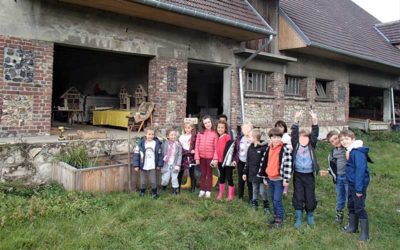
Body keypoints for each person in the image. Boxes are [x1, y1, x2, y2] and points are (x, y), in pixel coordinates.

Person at [339, 130, 370, 242]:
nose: (344, 141)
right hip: (352, 183)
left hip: (358, 185)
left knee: (359, 207)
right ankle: (353, 227)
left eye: (346, 139)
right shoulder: (350, 151)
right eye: (342, 139)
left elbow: (360, 171)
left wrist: (359, 189)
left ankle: (365, 235)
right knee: (351, 205)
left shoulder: (357, 152)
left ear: (353, 139)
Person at [258, 128, 293, 227]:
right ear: (270, 139)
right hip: (270, 179)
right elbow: (265, 164)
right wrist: (265, 177)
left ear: (281, 138)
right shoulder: (268, 149)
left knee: (277, 199)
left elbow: (288, 165)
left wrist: (286, 179)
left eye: (278, 137)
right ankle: (275, 216)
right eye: (274, 137)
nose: (276, 139)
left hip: (279, 180)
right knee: (272, 198)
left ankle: (279, 219)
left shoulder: (284, 149)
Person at [291, 110, 319, 229]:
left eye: (306, 137)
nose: (304, 138)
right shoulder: (296, 144)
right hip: (298, 174)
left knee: (310, 195)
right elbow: (293, 133)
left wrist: (315, 121)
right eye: (301, 136)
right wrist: (296, 120)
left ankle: (310, 216)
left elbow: (315, 134)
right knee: (298, 195)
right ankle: (298, 217)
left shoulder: (311, 145)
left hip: (309, 175)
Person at [242, 129, 270, 213]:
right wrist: (244, 172)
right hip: (252, 173)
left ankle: (266, 206)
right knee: (254, 189)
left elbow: (265, 163)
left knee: (262, 191)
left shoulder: (263, 148)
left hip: (260, 174)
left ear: (255, 138)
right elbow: (248, 161)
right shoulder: (250, 148)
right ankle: (255, 203)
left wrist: (265, 175)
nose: (248, 138)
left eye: (250, 136)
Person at [133, 127, 163, 199]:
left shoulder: (156, 143)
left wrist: (159, 164)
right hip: (143, 165)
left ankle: (154, 193)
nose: (151, 136)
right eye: (149, 134)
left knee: (153, 181)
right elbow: (136, 155)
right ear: (145, 134)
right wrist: (136, 165)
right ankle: (142, 192)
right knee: (143, 181)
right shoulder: (140, 143)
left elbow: (160, 155)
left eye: (152, 134)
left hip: (152, 165)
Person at [327, 130, 348, 224]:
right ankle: (339, 217)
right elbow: (332, 167)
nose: (335, 141)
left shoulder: (348, 149)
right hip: (339, 179)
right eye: (332, 141)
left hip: (349, 178)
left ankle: (353, 217)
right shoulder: (332, 154)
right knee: (340, 198)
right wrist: (328, 172)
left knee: (350, 198)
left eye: (336, 138)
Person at [195, 115, 219, 198]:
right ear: (203, 124)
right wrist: (197, 157)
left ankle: (208, 191)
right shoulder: (200, 133)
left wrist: (215, 158)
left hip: (210, 158)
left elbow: (216, 148)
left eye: (208, 122)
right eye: (205, 123)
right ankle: (202, 190)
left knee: (209, 174)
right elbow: (196, 145)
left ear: (211, 122)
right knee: (203, 174)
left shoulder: (215, 133)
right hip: (201, 158)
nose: (207, 124)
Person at [232, 122, 253, 203]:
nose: (245, 130)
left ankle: (251, 198)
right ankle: (240, 197)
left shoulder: (252, 139)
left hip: (250, 163)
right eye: (244, 129)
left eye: (247, 129)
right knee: (241, 180)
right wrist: (234, 160)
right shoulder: (240, 138)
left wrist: (251, 139)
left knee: (249, 180)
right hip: (241, 161)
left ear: (251, 129)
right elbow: (235, 150)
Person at [216, 121, 235, 201]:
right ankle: (221, 193)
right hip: (220, 161)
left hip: (227, 162)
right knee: (222, 177)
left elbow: (231, 149)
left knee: (229, 177)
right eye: (219, 127)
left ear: (225, 129)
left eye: (222, 127)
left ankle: (231, 195)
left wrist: (232, 160)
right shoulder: (217, 137)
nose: (220, 129)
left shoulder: (227, 137)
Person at [161, 128, 182, 195]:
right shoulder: (164, 144)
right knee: (165, 179)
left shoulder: (178, 145)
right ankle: (164, 186)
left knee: (174, 178)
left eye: (175, 135)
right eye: (172, 135)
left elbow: (179, 155)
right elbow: (161, 153)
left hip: (174, 164)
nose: (173, 136)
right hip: (166, 164)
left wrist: (178, 165)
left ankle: (175, 190)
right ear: (168, 136)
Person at [178, 122, 197, 193]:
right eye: (186, 128)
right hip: (184, 155)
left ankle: (193, 189)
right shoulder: (181, 137)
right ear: (184, 128)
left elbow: (195, 145)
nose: (187, 129)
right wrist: (185, 152)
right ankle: (178, 187)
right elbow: (179, 146)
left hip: (191, 156)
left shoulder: (194, 137)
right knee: (181, 172)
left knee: (192, 172)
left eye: (189, 128)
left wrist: (194, 150)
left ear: (192, 128)